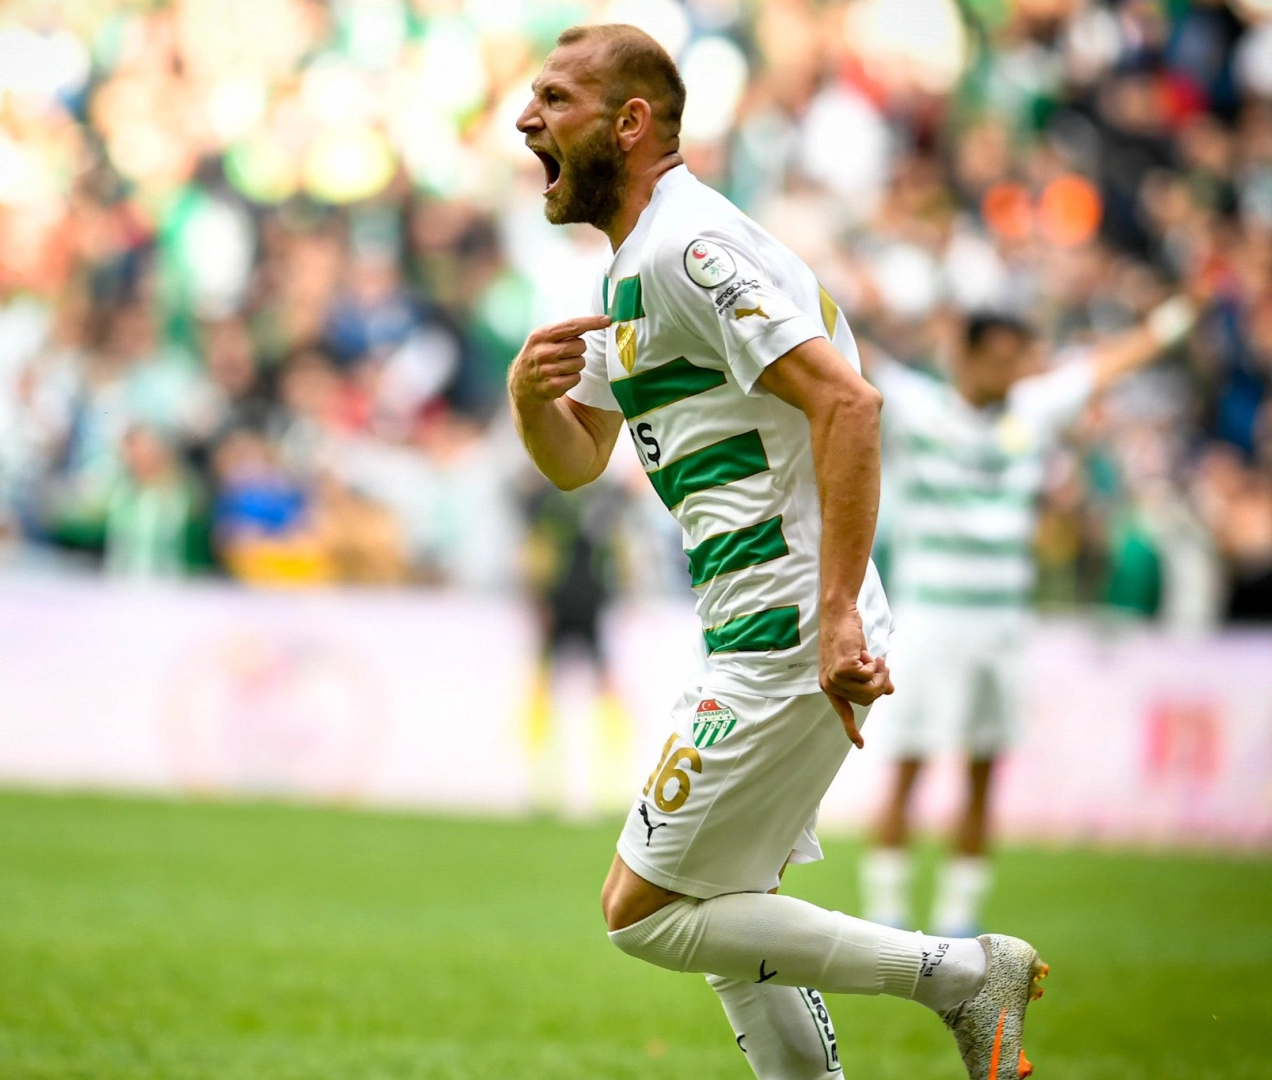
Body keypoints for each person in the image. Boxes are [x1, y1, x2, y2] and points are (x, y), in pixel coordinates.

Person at [506, 24, 1047, 1080]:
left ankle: (961, 972)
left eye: (556, 99)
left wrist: (835, 611)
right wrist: (530, 403)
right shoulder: (632, 270)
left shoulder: (688, 249)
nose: (528, 119)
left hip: (788, 624)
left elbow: (849, 404)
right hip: (754, 623)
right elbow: (578, 460)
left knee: (643, 911)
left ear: (631, 123)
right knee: (724, 911)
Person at [859, 302, 1196, 938]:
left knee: (984, 767)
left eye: (1019, 359)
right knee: (908, 763)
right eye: (1000, 359)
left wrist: (1177, 318)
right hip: (927, 620)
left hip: (1002, 625)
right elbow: (853, 353)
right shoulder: (917, 406)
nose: (1012, 371)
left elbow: (1104, 366)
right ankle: (886, 912)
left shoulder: (1031, 411)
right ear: (965, 356)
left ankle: (959, 917)